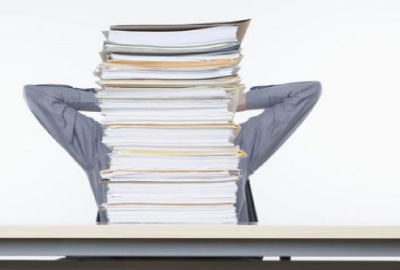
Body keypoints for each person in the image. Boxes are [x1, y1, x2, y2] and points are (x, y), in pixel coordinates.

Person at [22, 81, 322, 260]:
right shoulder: (104, 143)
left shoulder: (235, 141)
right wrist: (123, 97)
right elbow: (38, 94)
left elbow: (306, 91)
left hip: (221, 260)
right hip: (122, 259)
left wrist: (231, 99)